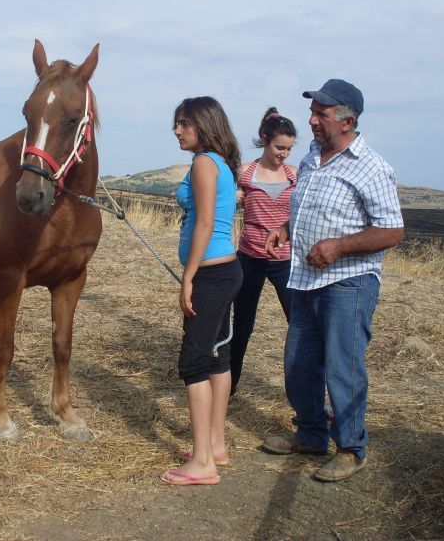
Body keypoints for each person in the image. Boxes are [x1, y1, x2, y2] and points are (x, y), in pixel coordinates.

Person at [262, 79, 404, 482]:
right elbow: (309, 207)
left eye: (321, 114)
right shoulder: (310, 158)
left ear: (348, 121)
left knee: (344, 367)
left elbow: (393, 231)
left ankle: (350, 448)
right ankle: (310, 435)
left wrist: (339, 247)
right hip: (304, 279)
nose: (312, 120)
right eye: (313, 111)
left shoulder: (372, 167)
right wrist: (287, 229)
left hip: (349, 283)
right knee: (299, 364)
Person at [160, 96, 243, 486]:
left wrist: (188, 277)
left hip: (211, 275)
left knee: (193, 363)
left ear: (204, 124)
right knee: (217, 358)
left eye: (183, 123)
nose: (177, 130)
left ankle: (204, 464)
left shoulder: (204, 163)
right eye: (176, 123)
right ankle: (215, 445)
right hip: (224, 272)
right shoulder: (219, 163)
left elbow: (206, 224)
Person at [229, 108, 297, 396]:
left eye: (289, 149)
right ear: (265, 140)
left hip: (286, 261)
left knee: (300, 325)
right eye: (280, 147)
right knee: (242, 327)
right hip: (250, 259)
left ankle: (307, 394)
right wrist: (234, 197)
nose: (284, 154)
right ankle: (228, 389)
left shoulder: (295, 175)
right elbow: (223, 202)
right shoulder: (245, 172)